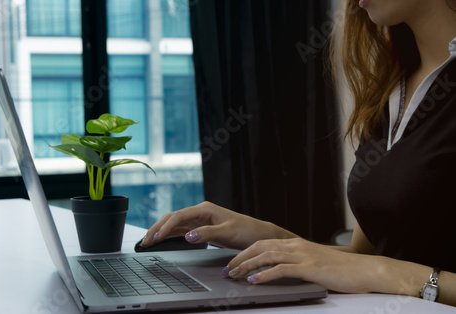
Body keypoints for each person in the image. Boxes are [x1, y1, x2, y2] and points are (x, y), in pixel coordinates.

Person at [141, 0, 456, 306]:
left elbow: (376, 267)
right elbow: (365, 257)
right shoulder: (394, 88)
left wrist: (384, 272)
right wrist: (264, 237)